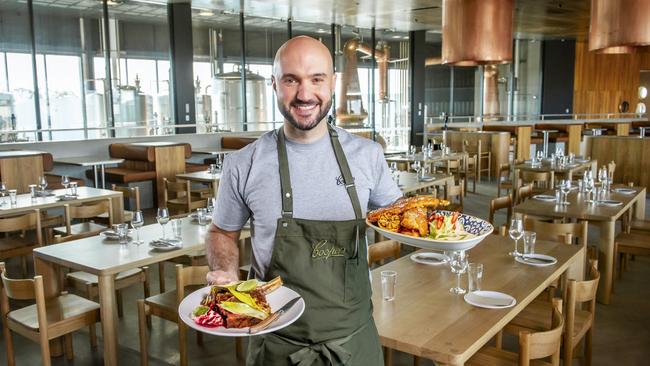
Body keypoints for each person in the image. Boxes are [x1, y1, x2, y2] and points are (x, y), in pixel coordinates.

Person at [205, 35, 402, 366]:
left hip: (354, 344)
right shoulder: (244, 163)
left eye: (316, 79)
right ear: (274, 84)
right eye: (291, 79)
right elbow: (221, 232)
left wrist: (439, 229)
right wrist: (225, 270)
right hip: (277, 346)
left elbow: (398, 215)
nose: (305, 93)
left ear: (334, 83)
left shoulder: (368, 156)